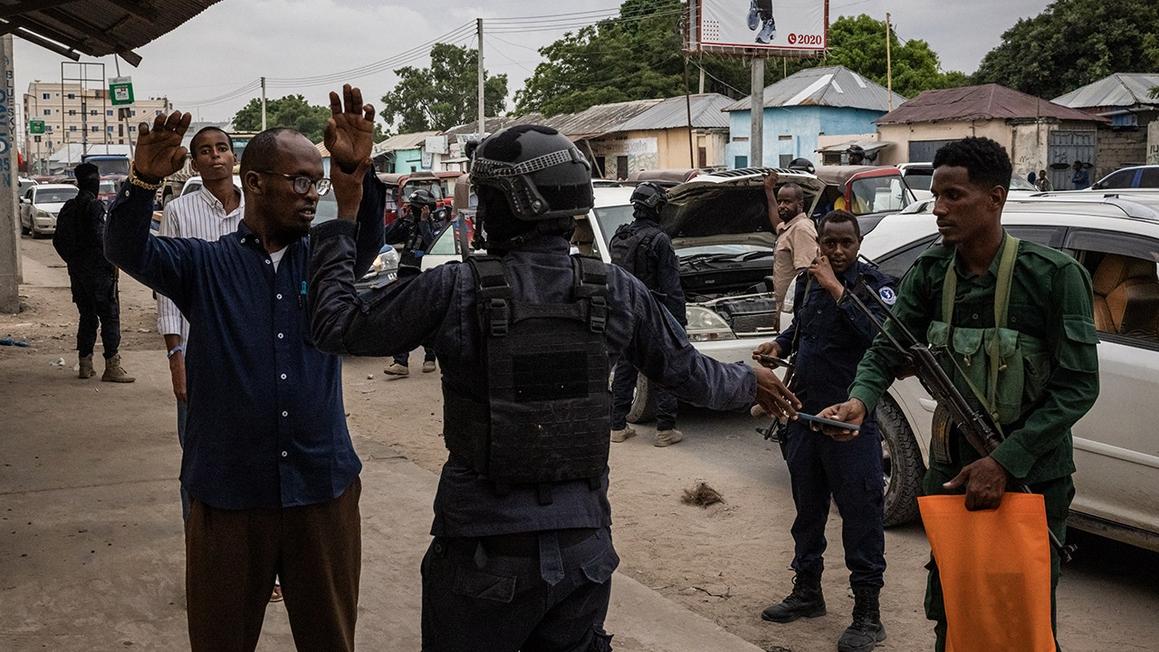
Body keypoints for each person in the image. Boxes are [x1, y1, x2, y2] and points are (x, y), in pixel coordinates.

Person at [306, 123, 800, 651]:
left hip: (482, 551)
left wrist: (347, 210)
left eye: (486, 196)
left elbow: (336, 325)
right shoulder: (615, 290)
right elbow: (692, 375)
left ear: (511, 204)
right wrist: (750, 380)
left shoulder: (456, 287)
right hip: (583, 553)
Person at [104, 86, 385, 651]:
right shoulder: (203, 264)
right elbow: (126, 249)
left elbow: (366, 238)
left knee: (331, 639)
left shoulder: (323, 260)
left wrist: (359, 169)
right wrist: (141, 183)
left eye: (317, 183)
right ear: (254, 182)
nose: (311, 196)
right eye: (300, 182)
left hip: (320, 489)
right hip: (228, 495)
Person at [818, 137, 1100, 651]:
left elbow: (1078, 386)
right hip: (952, 473)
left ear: (995, 198)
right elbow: (886, 348)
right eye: (936, 196)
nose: (939, 210)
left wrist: (1005, 462)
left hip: (1032, 478)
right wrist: (860, 400)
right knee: (954, 612)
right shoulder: (931, 272)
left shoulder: (1054, 277)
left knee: (1023, 620)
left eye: (953, 196)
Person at [753, 210, 894, 652]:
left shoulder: (872, 284)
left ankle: (867, 614)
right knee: (807, 512)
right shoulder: (808, 281)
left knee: (861, 517)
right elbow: (802, 331)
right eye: (828, 243)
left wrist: (837, 289)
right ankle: (807, 591)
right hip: (804, 415)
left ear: (858, 243)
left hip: (849, 423)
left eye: (845, 243)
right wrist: (779, 345)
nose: (836, 251)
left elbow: (882, 340)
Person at [156, 126, 243, 521]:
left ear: (233, 157)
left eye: (222, 148)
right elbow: (167, 290)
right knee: (198, 459)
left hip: (247, 355)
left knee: (251, 456)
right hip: (197, 356)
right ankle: (198, 548)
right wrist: (176, 358)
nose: (215, 156)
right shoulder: (179, 212)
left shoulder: (256, 210)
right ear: (194, 163)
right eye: (205, 151)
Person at [608, 182, 686, 447]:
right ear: (656, 207)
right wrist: (678, 323)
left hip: (624, 312)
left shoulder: (620, 236)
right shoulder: (659, 240)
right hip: (653, 313)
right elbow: (671, 286)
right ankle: (665, 430)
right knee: (666, 366)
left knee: (625, 367)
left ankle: (617, 426)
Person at [51, 162, 134, 383]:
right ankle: (112, 366)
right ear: (95, 183)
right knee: (109, 316)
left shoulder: (69, 207)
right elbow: (101, 239)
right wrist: (111, 262)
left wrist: (73, 261)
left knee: (87, 317)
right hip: (99, 273)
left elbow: (57, 241)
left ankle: (85, 365)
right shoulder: (95, 207)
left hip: (78, 273)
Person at [383, 188, 440, 376]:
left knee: (426, 316)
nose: (415, 212)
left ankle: (430, 357)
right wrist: (401, 219)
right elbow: (387, 237)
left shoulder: (434, 225)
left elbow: (433, 245)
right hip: (405, 273)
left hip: (424, 275)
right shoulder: (408, 225)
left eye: (418, 208)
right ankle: (401, 362)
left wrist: (424, 222)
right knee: (401, 316)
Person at [767, 175, 818, 330]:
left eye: (787, 202)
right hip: (786, 311)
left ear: (800, 204)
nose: (782, 206)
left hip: (796, 312)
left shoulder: (801, 229)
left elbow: (805, 274)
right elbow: (777, 222)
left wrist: (789, 316)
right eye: (780, 201)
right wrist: (768, 191)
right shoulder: (788, 227)